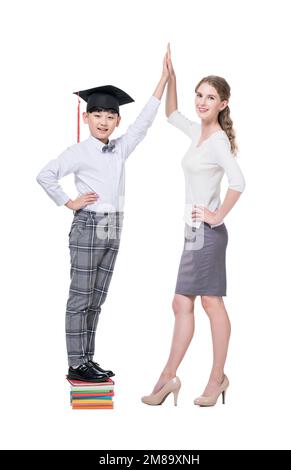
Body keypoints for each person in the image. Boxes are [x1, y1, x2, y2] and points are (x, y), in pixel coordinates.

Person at [36, 51, 170, 382]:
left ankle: (88, 360)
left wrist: (163, 82)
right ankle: (75, 362)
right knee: (80, 296)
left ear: (117, 121)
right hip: (89, 225)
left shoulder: (120, 147)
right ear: (86, 118)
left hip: (114, 225)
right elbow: (45, 175)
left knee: (97, 299)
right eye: (97, 114)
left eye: (110, 115)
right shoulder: (78, 152)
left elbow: (144, 124)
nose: (104, 121)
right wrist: (69, 202)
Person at [141, 44, 246, 406]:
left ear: (223, 104)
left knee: (208, 304)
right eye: (199, 95)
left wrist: (217, 216)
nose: (201, 102)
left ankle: (211, 379)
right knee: (183, 303)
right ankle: (170, 378)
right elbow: (170, 113)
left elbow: (239, 182)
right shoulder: (198, 132)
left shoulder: (216, 140)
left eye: (210, 97)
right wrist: (171, 77)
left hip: (207, 233)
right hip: (194, 233)